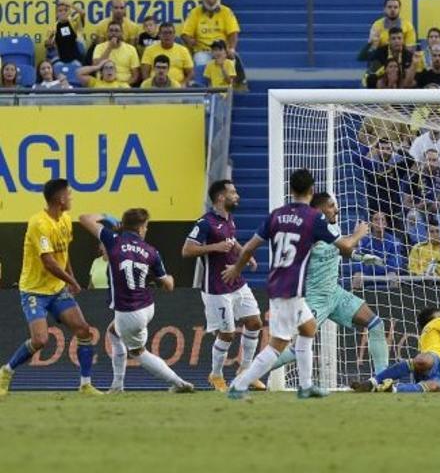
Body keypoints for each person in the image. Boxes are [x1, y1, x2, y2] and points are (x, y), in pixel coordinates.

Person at [222, 169, 369, 400]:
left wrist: (236, 268)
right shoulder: (314, 218)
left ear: (291, 190)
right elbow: (347, 247)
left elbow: (249, 247)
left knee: (308, 328)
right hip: (289, 289)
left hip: (281, 284)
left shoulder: (276, 215)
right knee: (277, 345)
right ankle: (239, 385)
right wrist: (359, 234)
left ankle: (306, 386)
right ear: (311, 191)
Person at [0, 179, 102, 396]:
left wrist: (69, 278)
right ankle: (6, 371)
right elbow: (49, 262)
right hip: (34, 290)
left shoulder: (65, 219)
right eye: (70, 194)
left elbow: (62, 254)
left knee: (84, 330)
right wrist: (73, 282)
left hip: (56, 290)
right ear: (61, 199)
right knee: (40, 340)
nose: (72, 197)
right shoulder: (39, 223)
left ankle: (85, 385)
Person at [270, 193, 389, 374]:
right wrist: (358, 234)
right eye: (332, 206)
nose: (337, 210)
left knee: (375, 324)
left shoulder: (331, 228)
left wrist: (362, 257)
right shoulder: (309, 230)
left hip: (334, 293)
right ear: (319, 209)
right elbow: (347, 245)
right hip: (314, 298)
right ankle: (249, 372)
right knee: (297, 349)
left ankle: (383, 378)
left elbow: (341, 250)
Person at [79, 210, 194, 393]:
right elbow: (169, 285)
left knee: (138, 352)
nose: (146, 230)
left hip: (129, 312)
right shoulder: (151, 251)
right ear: (140, 228)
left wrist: (107, 217)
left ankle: (179, 383)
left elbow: (85, 218)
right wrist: (168, 278)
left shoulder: (113, 240)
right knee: (113, 333)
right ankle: (117, 386)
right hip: (147, 306)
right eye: (146, 226)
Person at [181, 180, 264, 392]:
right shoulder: (204, 223)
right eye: (233, 192)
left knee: (255, 323)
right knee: (227, 334)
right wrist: (215, 247)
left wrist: (244, 252)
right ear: (220, 197)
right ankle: (215, 375)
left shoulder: (228, 219)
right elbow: (187, 250)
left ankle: (246, 371)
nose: (237, 195)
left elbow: (231, 239)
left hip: (236, 282)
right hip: (216, 287)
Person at [181, 0, 241, 67]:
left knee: (230, 62)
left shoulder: (226, 11)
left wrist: (231, 49)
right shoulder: (195, 12)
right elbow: (185, 34)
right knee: (201, 62)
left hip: (221, 50)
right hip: (203, 50)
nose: (210, 0)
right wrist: (190, 41)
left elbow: (233, 32)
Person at [140, 22, 194, 86]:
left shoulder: (183, 50)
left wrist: (183, 84)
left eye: (170, 33)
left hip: (177, 87)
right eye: (165, 33)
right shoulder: (149, 50)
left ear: (174, 35)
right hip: (155, 87)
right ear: (159, 35)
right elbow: (145, 73)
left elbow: (190, 73)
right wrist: (150, 85)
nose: (167, 35)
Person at [45, 0, 85, 66]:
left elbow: (83, 13)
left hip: (76, 58)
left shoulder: (74, 22)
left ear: (69, 12)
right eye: (60, 11)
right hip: (60, 59)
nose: (63, 12)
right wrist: (49, 42)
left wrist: (70, 4)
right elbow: (46, 44)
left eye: (66, 10)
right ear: (56, 14)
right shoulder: (52, 27)